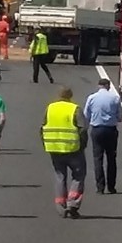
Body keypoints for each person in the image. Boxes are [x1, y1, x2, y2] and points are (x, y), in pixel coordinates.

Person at [41, 86, 87, 218]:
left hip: (54, 148)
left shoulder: (50, 108)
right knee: (78, 176)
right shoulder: (74, 109)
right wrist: (82, 144)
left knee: (60, 176)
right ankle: (72, 204)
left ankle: (61, 206)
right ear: (70, 96)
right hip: (73, 148)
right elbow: (83, 129)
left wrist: (46, 144)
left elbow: (42, 126)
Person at [83, 77, 122, 194]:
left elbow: (86, 115)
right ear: (108, 86)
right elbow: (120, 116)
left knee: (98, 158)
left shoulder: (92, 98)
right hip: (111, 130)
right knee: (111, 159)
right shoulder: (115, 98)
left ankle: (100, 187)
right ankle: (111, 186)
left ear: (99, 86)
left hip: (97, 129)